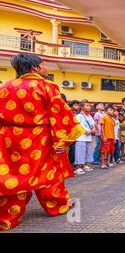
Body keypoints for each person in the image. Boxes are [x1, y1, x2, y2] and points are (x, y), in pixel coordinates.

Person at [0, 53, 85, 231]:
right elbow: (59, 114)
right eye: (44, 64)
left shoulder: (6, 87)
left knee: (13, 175)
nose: (46, 67)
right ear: (35, 68)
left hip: (9, 138)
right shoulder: (46, 86)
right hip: (38, 138)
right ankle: (58, 205)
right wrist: (63, 139)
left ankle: (8, 216)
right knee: (48, 172)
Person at [74, 101, 96, 175]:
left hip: (88, 138)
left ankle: (85, 165)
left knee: (88, 152)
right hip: (81, 138)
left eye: (89, 106)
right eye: (87, 106)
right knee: (80, 152)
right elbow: (77, 126)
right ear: (82, 107)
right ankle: (78, 167)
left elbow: (93, 125)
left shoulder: (89, 116)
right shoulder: (79, 116)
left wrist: (93, 130)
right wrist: (85, 131)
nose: (89, 107)